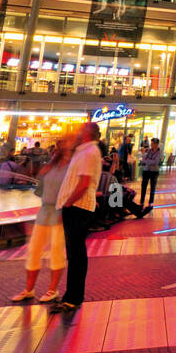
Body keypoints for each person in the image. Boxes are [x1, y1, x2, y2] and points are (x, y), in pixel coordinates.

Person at [12, 134, 73, 303]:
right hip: (45, 211)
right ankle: (29, 289)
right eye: (59, 146)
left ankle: (52, 289)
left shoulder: (72, 168)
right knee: (34, 250)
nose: (60, 149)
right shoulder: (50, 167)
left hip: (60, 212)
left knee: (56, 251)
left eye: (64, 146)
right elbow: (40, 191)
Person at [54, 121, 103, 312]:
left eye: (81, 130)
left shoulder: (90, 153)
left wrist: (68, 202)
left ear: (87, 134)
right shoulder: (83, 151)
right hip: (75, 206)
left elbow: (84, 182)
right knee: (74, 253)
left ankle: (74, 297)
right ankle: (71, 296)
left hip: (78, 206)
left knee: (76, 254)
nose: (77, 132)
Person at [139, 138, 163, 206]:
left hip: (154, 172)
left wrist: (147, 160)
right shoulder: (148, 150)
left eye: (152, 143)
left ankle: (150, 202)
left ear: (156, 144)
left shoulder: (159, 152)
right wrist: (148, 160)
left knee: (152, 187)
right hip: (146, 170)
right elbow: (144, 159)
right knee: (143, 187)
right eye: (151, 143)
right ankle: (142, 201)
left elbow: (155, 162)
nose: (151, 144)